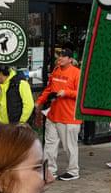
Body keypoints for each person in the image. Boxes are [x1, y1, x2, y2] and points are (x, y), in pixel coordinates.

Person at [34, 48, 81, 181]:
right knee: (49, 144)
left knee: (69, 147)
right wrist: (39, 101)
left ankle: (73, 171)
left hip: (69, 117)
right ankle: (49, 171)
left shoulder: (77, 73)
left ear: (70, 59)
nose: (59, 58)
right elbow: (49, 89)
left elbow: (81, 94)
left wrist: (66, 93)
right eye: (59, 56)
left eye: (63, 56)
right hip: (53, 115)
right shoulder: (56, 70)